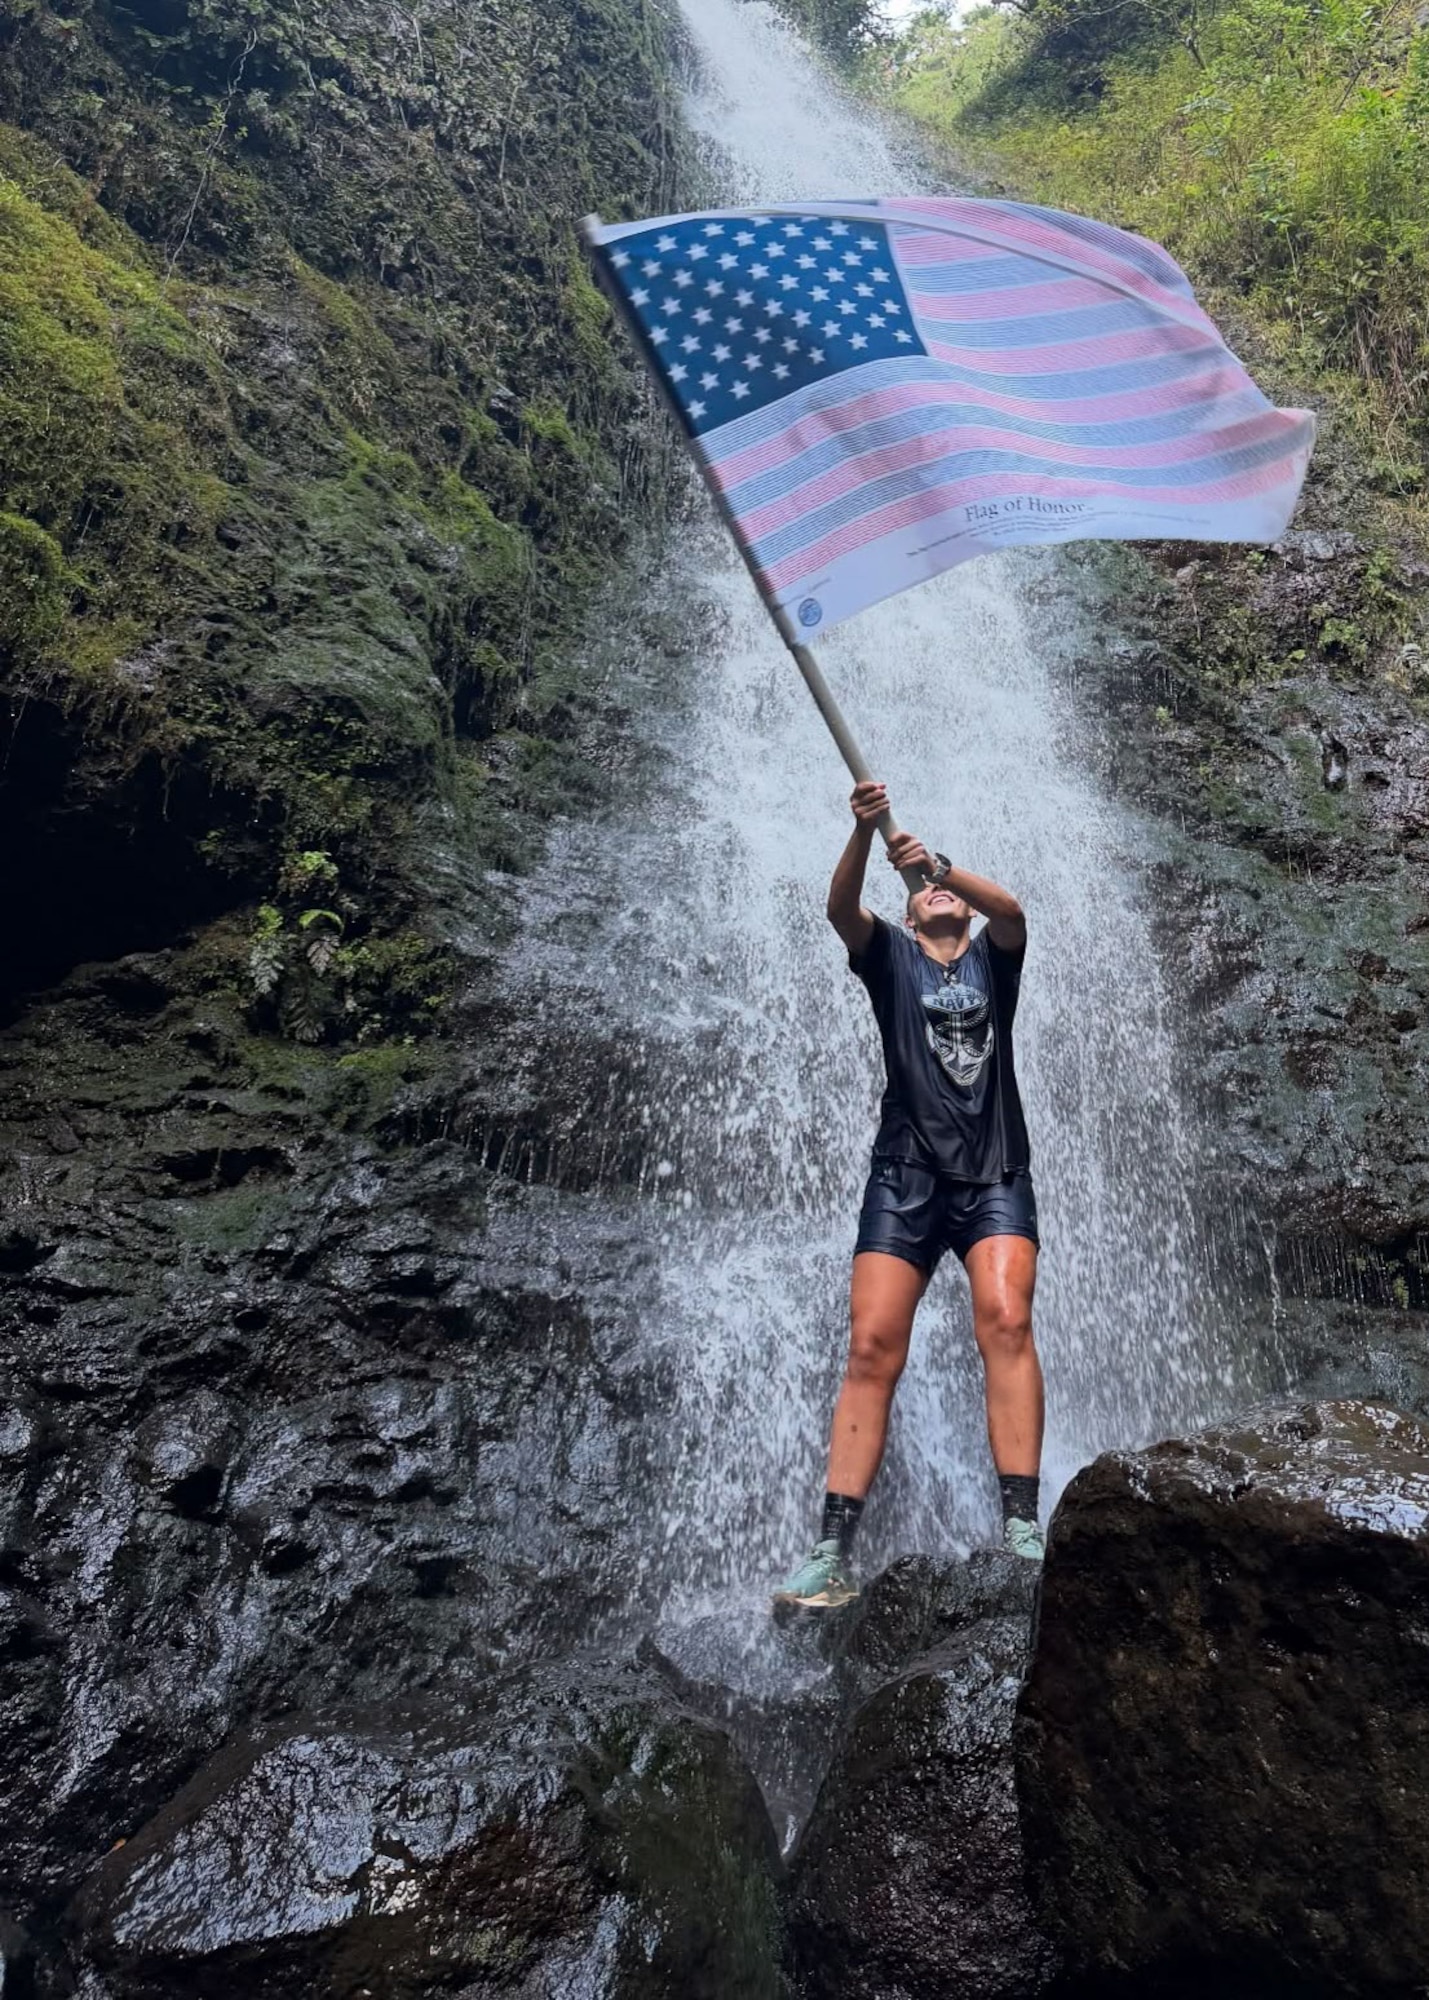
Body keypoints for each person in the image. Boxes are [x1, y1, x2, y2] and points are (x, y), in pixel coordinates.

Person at [773, 778, 1045, 1610]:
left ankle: (1023, 1533)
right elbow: (839, 910)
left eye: (942, 891)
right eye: (922, 889)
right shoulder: (889, 958)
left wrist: (939, 865)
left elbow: (1011, 909)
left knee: (1006, 1320)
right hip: (904, 1174)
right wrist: (861, 835)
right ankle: (830, 1551)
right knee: (871, 1348)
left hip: (994, 1169)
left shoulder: (993, 959)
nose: (932, 895)